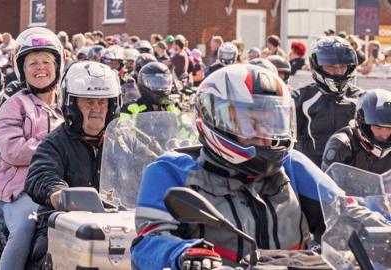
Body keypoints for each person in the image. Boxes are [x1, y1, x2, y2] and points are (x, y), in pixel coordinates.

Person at [130, 64, 390, 269]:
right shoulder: (171, 170)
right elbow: (147, 243)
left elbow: (344, 209)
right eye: (252, 123)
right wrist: (181, 253)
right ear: (211, 118)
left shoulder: (291, 166)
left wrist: (381, 230)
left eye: (273, 122)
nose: (266, 136)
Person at [25, 61, 121, 269]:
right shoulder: (56, 141)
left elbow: (148, 165)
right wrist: (59, 193)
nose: (96, 109)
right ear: (72, 105)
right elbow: (40, 174)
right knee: (41, 255)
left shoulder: (123, 142)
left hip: (118, 226)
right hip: (65, 227)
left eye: (102, 102)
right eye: (88, 102)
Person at [0, 27, 64, 270]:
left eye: (46, 61)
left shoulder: (69, 106)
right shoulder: (15, 105)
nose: (40, 67)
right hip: (21, 190)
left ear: (58, 66)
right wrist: (53, 145)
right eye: (32, 62)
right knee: (25, 227)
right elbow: (12, 151)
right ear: (22, 69)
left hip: (61, 186)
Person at [293, 36, 364, 166]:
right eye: (330, 66)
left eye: (342, 66)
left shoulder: (361, 99)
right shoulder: (300, 98)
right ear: (317, 67)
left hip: (351, 174)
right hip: (312, 173)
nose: (337, 71)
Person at [322, 89, 391, 173]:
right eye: (378, 128)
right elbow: (327, 183)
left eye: (389, 129)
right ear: (365, 126)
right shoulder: (342, 144)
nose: (384, 135)